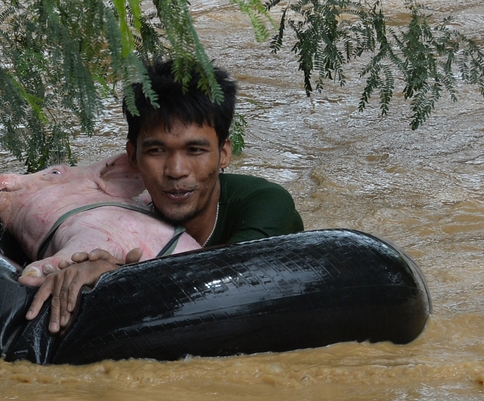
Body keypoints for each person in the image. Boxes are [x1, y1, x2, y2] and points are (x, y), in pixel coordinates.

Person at [25, 59, 304, 333]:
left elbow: (225, 277)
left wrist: (117, 274)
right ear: (132, 157)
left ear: (225, 153)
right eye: (157, 151)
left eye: (195, 150)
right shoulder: (128, 219)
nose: (176, 171)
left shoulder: (266, 203)